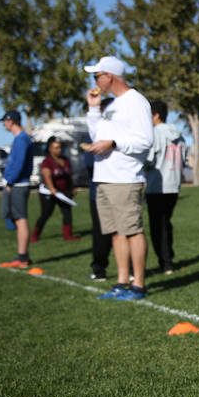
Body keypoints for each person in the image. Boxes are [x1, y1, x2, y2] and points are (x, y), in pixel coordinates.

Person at [84, 55, 154, 301]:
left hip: (125, 178)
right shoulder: (111, 105)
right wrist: (93, 108)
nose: (95, 80)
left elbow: (146, 141)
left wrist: (113, 143)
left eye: (96, 76)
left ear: (109, 76)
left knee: (132, 230)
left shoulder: (136, 102)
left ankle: (138, 285)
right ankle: (122, 282)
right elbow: (97, 135)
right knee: (116, 233)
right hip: (105, 178)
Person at [145, 100, 185, 275]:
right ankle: (168, 259)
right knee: (166, 223)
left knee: (157, 226)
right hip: (174, 185)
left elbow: (149, 160)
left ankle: (165, 262)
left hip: (157, 186)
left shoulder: (154, 133)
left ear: (156, 115)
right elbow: (183, 160)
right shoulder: (179, 134)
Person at [81, 97, 115, 281]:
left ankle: (132, 271)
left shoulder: (122, 132)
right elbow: (89, 163)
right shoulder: (95, 133)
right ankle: (99, 269)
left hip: (118, 188)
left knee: (127, 232)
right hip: (98, 191)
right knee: (102, 232)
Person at [0, 110, 34, 268]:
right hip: (18, 183)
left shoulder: (21, 139)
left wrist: (10, 182)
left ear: (10, 121)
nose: (4, 125)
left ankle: (22, 258)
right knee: (18, 219)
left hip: (18, 184)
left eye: (4, 121)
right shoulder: (21, 139)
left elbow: (18, 164)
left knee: (20, 219)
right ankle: (22, 256)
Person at [32, 136, 81, 242]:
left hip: (63, 192)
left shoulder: (65, 160)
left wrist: (71, 188)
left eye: (59, 147)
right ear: (50, 149)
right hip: (49, 192)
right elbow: (47, 176)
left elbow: (68, 176)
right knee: (46, 213)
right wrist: (52, 189)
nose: (58, 149)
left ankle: (68, 235)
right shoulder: (47, 161)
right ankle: (35, 236)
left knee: (67, 212)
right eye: (55, 147)